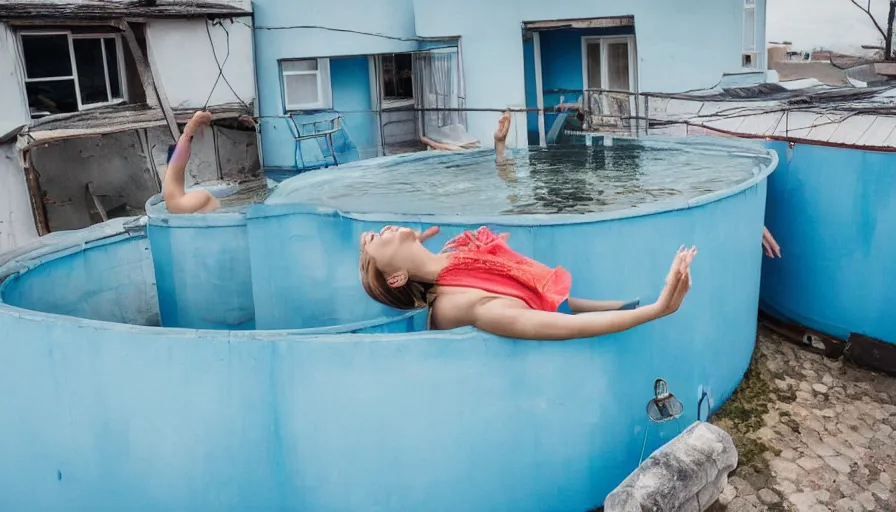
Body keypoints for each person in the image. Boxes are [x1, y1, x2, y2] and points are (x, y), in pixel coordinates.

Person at [359, 224, 696, 340]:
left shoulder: (454, 258)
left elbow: (537, 293)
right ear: (397, 277)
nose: (372, 233)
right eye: (372, 240)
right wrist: (656, 310)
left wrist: (622, 305)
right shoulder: (454, 303)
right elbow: (557, 324)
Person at [162, 110, 221, 214]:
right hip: (190, 202)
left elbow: (179, 157)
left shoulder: (171, 180)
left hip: (181, 203)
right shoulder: (172, 178)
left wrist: (194, 123)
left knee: (177, 165)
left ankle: (195, 121)